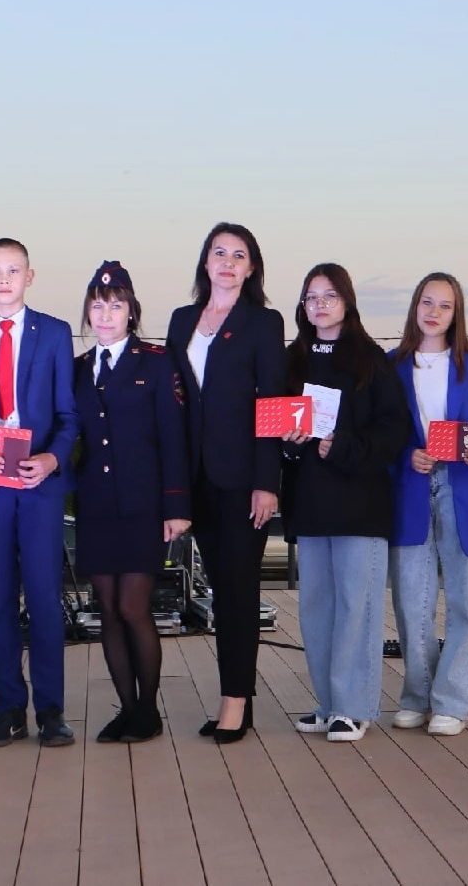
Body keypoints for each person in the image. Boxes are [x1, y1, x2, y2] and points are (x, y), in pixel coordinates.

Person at [0, 238, 79, 749]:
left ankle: (51, 710)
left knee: (46, 598)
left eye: (14, 270)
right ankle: (8, 709)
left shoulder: (55, 333)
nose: (4, 279)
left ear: (30, 276)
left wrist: (51, 460)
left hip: (38, 483)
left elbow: (69, 415)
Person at [165, 223, 285, 743]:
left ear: (251, 267)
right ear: (205, 261)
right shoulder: (182, 320)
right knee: (217, 590)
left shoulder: (263, 322)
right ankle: (235, 696)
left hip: (242, 480)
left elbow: (273, 404)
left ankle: (235, 702)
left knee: (239, 592)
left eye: (239, 255)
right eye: (220, 253)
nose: (228, 262)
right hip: (193, 478)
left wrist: (267, 482)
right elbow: (171, 400)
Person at [280, 263, 410, 742]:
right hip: (310, 502)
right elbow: (277, 426)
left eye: (329, 296)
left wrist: (345, 446)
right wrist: (290, 443)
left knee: (358, 607)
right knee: (316, 610)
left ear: (347, 302)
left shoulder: (371, 360)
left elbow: (394, 429)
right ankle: (329, 702)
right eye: (311, 297)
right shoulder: (291, 360)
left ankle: (355, 707)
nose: (320, 305)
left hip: (360, 502)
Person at [72, 261, 190, 743]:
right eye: (98, 306)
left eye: (116, 306)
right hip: (97, 506)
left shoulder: (156, 363)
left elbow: (173, 437)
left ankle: (148, 710)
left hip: (143, 504)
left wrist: (177, 506)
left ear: (131, 312)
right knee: (107, 609)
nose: (106, 315)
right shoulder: (78, 369)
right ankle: (126, 708)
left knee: (132, 606)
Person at [387, 273, 468, 738]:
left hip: (463, 488)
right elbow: (380, 432)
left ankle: (451, 701)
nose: (434, 312)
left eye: (445, 305)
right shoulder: (391, 367)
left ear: (457, 315)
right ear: (415, 307)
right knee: (412, 605)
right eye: (427, 302)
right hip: (412, 489)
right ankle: (417, 696)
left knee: (462, 604)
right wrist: (405, 456)